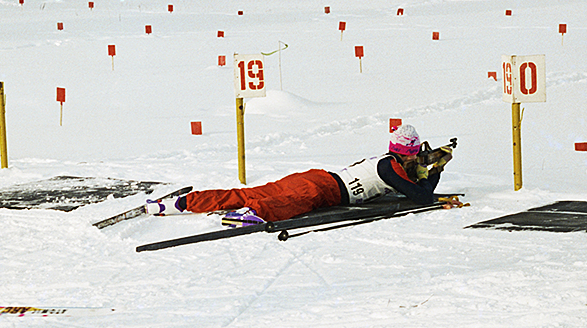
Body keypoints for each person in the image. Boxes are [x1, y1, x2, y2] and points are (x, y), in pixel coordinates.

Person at [145, 124, 453, 224]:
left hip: (318, 177)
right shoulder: (389, 167)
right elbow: (421, 196)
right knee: (285, 204)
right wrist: (435, 170)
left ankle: (181, 204)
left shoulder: (388, 163)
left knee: (252, 191)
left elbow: (410, 185)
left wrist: (429, 168)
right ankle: (251, 214)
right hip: (325, 190)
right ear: (410, 154)